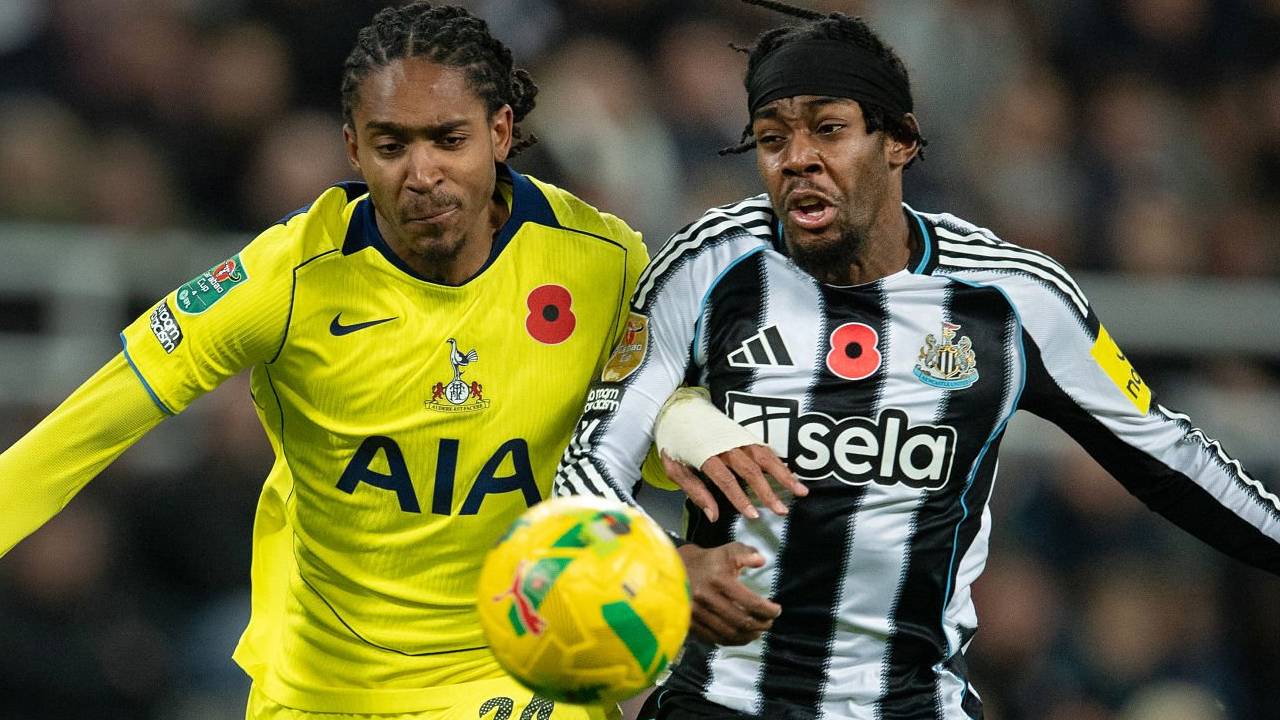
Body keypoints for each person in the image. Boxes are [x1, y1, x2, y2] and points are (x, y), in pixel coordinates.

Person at [554, 1, 1280, 718]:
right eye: (772, 139)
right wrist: (661, 564)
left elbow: (1174, 463)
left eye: (829, 131)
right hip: (717, 702)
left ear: (899, 140)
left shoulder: (1010, 298)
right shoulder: (709, 263)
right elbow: (589, 466)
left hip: (909, 705)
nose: (797, 159)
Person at [0, 3, 650, 718]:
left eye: (449, 139)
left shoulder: (602, 261)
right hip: (327, 687)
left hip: (513, 665)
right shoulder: (289, 274)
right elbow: (82, 428)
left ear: (499, 132)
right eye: (391, 144)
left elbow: (658, 424)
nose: (421, 172)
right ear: (353, 150)